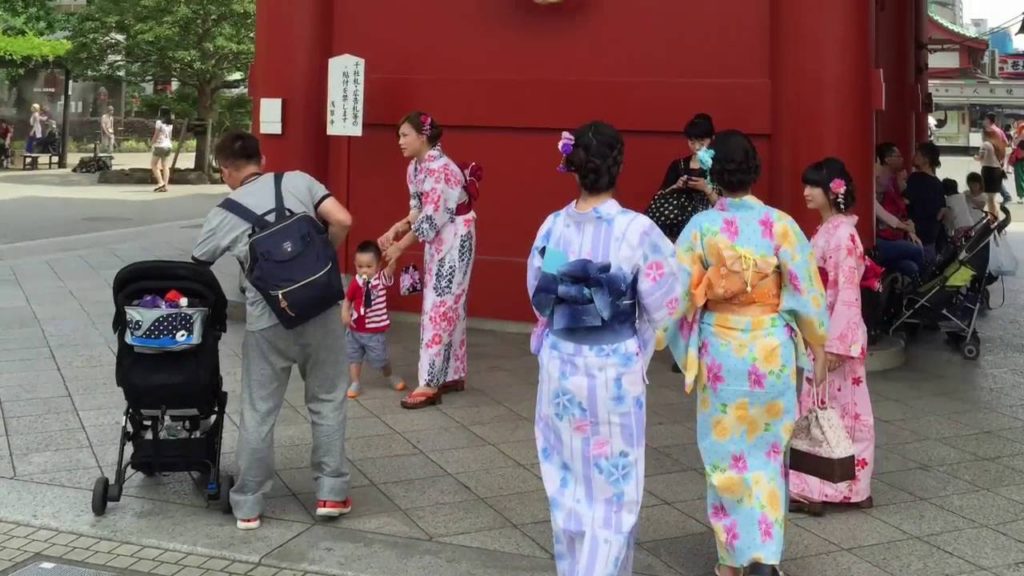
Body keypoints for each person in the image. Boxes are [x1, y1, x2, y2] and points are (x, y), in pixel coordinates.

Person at [666, 130, 828, 576]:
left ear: (715, 174)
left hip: (721, 350)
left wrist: (675, 341)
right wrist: (817, 346)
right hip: (770, 349)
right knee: (767, 455)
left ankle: (732, 560)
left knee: (725, 456)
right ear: (754, 171)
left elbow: (675, 296)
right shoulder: (780, 224)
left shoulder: (701, 228)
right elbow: (808, 293)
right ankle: (765, 556)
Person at [527, 121, 679, 576]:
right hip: (613, 370)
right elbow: (665, 301)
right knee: (614, 489)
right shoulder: (637, 231)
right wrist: (643, 333)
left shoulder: (554, 228)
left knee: (568, 482)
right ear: (618, 166)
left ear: (573, 167)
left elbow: (541, 291)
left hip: (562, 365)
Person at [191, 131, 355, 530]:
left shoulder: (225, 210)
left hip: (268, 320)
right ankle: (331, 493)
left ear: (225, 169)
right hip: (321, 311)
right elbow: (344, 219)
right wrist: (320, 264)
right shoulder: (299, 180)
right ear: (261, 158)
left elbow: (198, 263)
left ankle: (248, 504)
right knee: (329, 399)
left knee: (260, 410)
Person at [789, 158, 874, 515]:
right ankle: (828, 485)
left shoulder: (841, 234)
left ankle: (832, 487)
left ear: (832, 191)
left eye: (813, 186)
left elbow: (848, 292)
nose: (806, 192)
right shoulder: (830, 230)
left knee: (837, 413)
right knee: (825, 412)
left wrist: (837, 345)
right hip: (820, 333)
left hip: (833, 337)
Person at [378, 112, 476, 409]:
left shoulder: (442, 170)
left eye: (405, 135)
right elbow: (418, 209)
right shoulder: (416, 168)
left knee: (440, 307)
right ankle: (452, 372)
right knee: (449, 305)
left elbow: (432, 217)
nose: (400, 141)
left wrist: (399, 248)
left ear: (423, 136)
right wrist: (398, 227)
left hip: (455, 236)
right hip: (439, 238)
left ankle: (430, 382)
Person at [341, 241, 406, 399]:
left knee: (380, 358)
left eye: (369, 266)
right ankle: (355, 382)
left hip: (374, 333)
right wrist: (345, 313)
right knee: (353, 356)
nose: (364, 270)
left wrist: (392, 257)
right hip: (355, 329)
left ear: (378, 266)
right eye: (360, 266)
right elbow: (348, 299)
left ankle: (389, 375)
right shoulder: (356, 282)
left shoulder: (381, 279)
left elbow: (390, 270)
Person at [645, 112, 719, 242]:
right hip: (679, 230)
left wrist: (706, 189)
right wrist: (676, 186)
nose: (696, 147)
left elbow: (726, 207)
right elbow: (660, 198)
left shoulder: (718, 166)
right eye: (692, 142)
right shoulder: (678, 165)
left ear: (712, 139)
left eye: (702, 143)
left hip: (710, 230)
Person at [874, 143, 924, 282]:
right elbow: (882, 213)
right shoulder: (871, 185)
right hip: (878, 240)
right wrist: (906, 227)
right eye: (898, 156)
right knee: (916, 250)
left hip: (892, 235)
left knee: (911, 267)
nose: (902, 159)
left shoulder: (892, 182)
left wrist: (908, 229)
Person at [903, 142, 947, 268]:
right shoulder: (938, 183)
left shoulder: (916, 178)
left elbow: (906, 201)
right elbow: (941, 212)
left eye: (917, 154)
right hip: (931, 233)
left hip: (915, 232)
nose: (914, 156)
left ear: (925, 160)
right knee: (928, 269)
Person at [151, 111, 174, 192]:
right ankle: (165, 185)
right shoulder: (170, 124)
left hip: (160, 145)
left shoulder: (159, 122)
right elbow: (170, 136)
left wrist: (152, 142)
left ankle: (161, 183)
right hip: (168, 145)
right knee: (165, 166)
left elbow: (156, 134)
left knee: (153, 164)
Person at [1009, 140, 1024, 205]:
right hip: (1020, 160)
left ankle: (1021, 197)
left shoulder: (1021, 135)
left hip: (1019, 161)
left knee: (1019, 179)